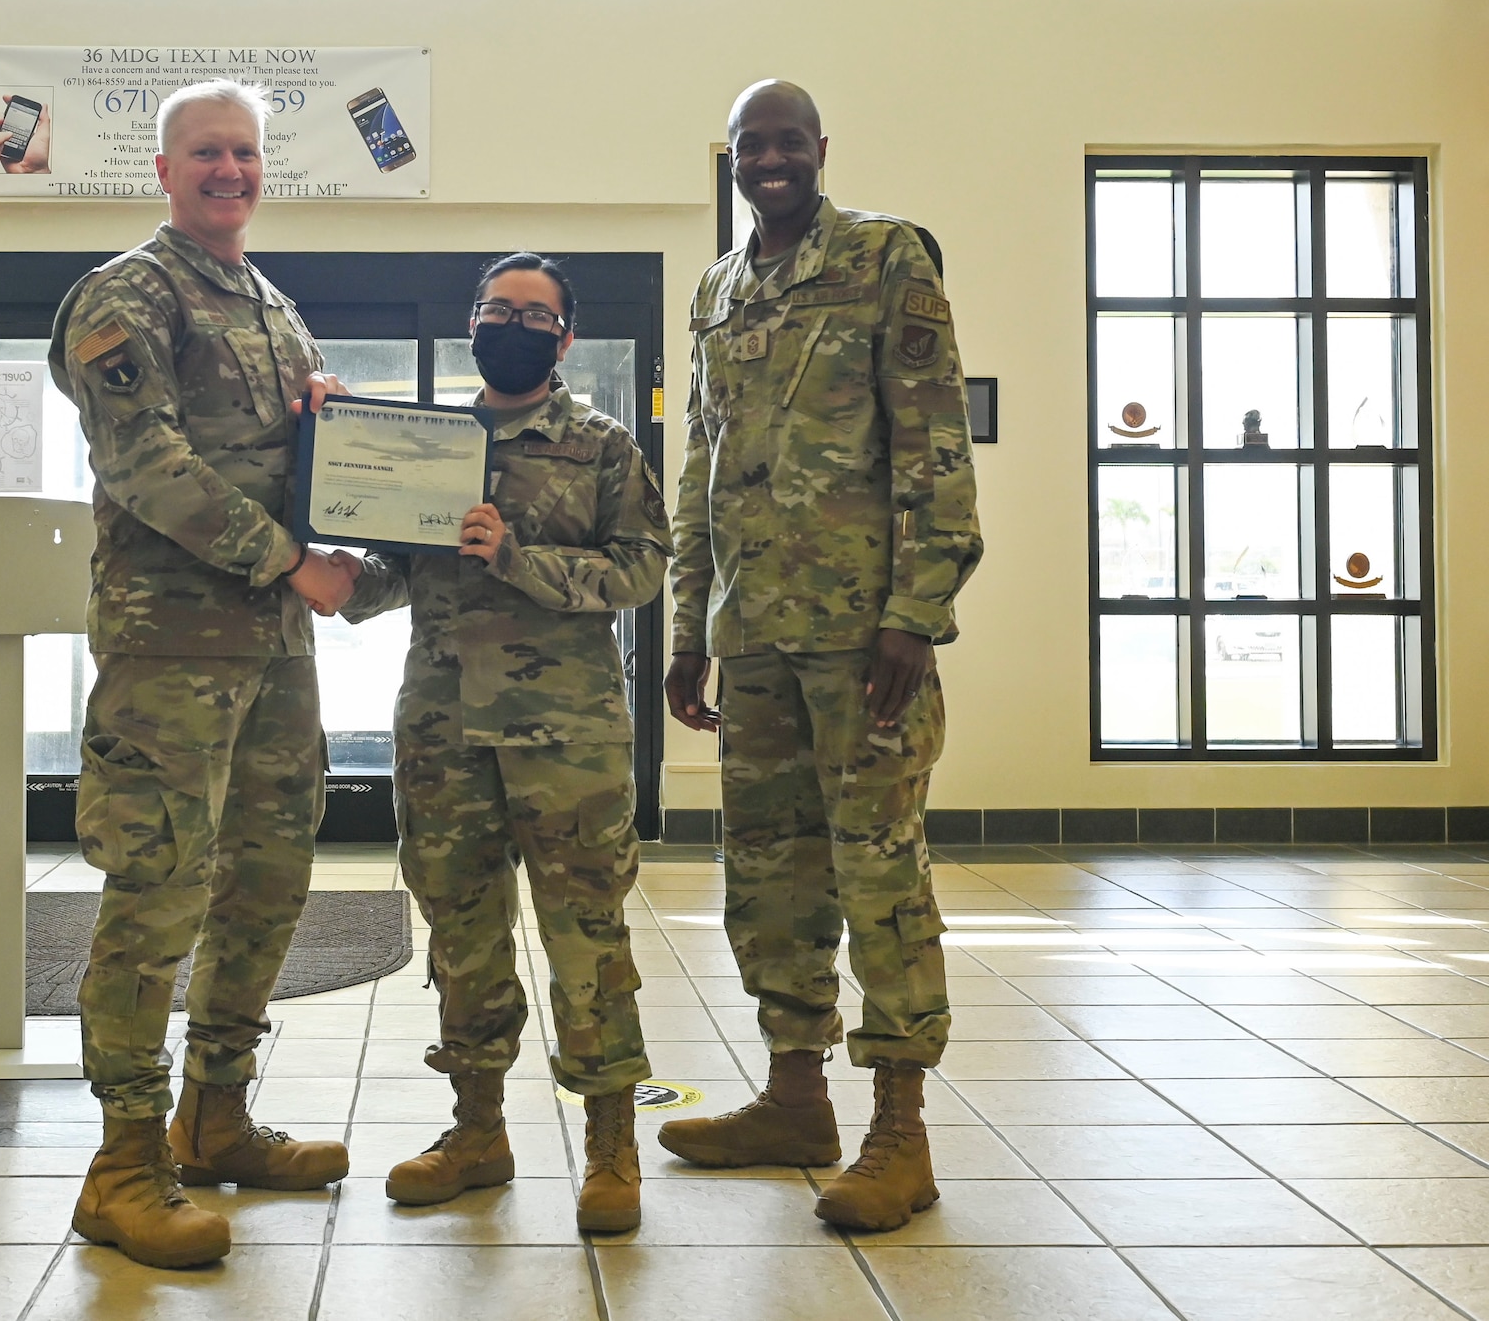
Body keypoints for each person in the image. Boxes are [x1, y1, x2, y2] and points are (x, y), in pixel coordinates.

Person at [658, 80, 983, 1234]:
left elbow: (934, 440)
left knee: (877, 873)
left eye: (788, 142)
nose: (771, 160)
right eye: (752, 145)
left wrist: (914, 611)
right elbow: (701, 469)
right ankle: (795, 1098)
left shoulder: (885, 259)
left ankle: (899, 1130)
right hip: (751, 638)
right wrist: (687, 625)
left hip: (859, 640)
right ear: (733, 158)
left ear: (819, 149)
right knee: (768, 873)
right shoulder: (716, 290)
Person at [48, 78, 362, 1270]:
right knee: (157, 891)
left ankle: (215, 1115)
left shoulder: (274, 306)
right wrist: (290, 559)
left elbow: (294, 455)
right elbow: (147, 464)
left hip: (271, 650)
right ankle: (124, 1163)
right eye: (206, 153)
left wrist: (329, 428)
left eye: (245, 152)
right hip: (170, 649)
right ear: (165, 170)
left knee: (265, 882)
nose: (229, 170)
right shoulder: (124, 296)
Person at [337, 253, 672, 1233]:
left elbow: (639, 570)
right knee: (461, 934)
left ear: (565, 337)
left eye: (534, 314)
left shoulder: (602, 447)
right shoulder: (427, 447)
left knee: (585, 937)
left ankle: (610, 1144)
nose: (512, 326)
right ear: (471, 322)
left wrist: (517, 558)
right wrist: (329, 571)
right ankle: (476, 1130)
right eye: (496, 309)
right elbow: (388, 570)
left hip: (566, 735)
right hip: (443, 728)